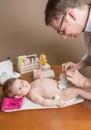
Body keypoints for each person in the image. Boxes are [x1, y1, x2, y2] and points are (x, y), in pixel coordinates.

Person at [45, 0, 91, 89]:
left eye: (61, 31)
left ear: (71, 15)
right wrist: (79, 65)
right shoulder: (86, 27)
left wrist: (85, 82)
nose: (63, 37)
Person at [2, 78, 91, 107]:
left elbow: (41, 82)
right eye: (20, 88)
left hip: (61, 84)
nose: (24, 84)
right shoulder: (32, 94)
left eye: (21, 81)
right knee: (78, 90)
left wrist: (39, 76)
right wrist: (57, 102)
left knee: (80, 85)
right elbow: (43, 102)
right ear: (18, 96)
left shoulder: (31, 84)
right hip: (62, 93)